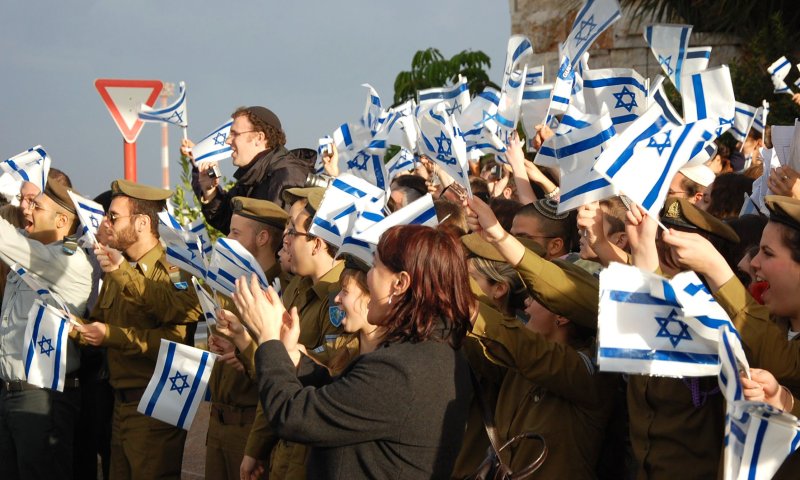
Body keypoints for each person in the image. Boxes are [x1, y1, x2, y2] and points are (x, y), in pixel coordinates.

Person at [235, 224, 473, 479]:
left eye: (375, 266)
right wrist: (291, 354)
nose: (368, 277)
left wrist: (268, 338)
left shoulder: (402, 368)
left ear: (400, 283)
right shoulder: (433, 350)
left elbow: (294, 417)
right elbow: (347, 400)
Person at [463, 196, 621, 478]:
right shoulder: (516, 369)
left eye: (536, 297)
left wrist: (455, 293)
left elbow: (530, 351)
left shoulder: (589, 374)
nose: (525, 303)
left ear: (563, 314)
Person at [71, 179, 202, 480]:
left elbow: (176, 339)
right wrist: (71, 325)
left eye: (113, 217)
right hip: (122, 402)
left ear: (142, 223)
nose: (105, 224)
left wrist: (111, 335)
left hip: (157, 401)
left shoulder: (173, 267)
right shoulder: (120, 266)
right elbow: (99, 322)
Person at [0, 179, 93, 480]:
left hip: (43, 399)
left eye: (36, 206)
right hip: (13, 393)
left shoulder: (66, 260)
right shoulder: (32, 261)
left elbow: (8, 241)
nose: (26, 209)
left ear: (62, 220)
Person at [205, 197, 290, 480]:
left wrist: (243, 351)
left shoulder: (280, 291)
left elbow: (280, 367)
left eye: (236, 233)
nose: (227, 239)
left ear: (263, 238)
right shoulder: (233, 283)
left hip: (251, 426)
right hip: (219, 421)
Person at [183, 106, 310, 233]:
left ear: (259, 138)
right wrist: (209, 191)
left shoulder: (286, 176)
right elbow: (228, 222)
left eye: (234, 134)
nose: (227, 141)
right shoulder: (253, 174)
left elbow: (277, 240)